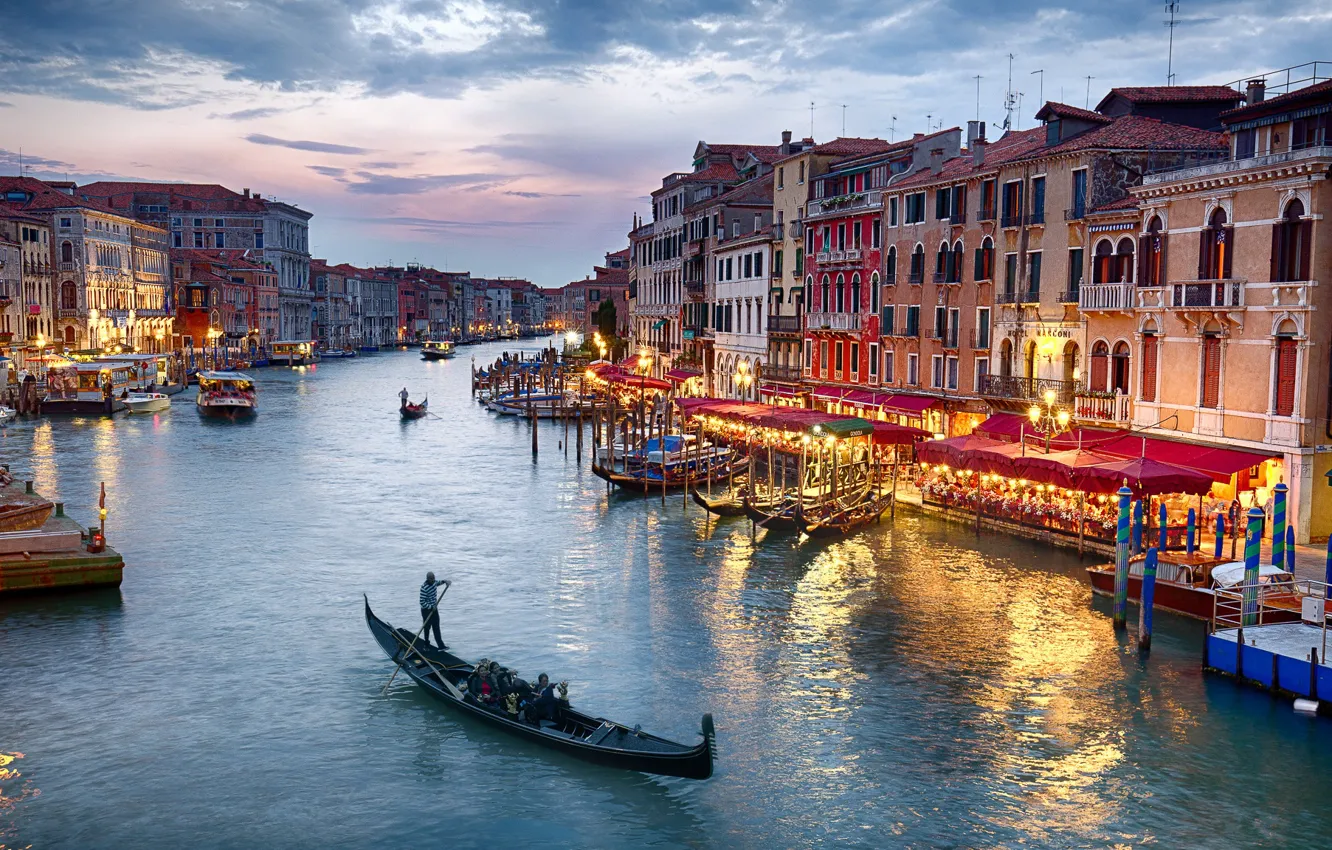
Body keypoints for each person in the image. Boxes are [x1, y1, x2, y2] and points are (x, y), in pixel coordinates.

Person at [418, 571, 450, 650]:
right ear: (427, 579)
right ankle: (426, 645)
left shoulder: (434, 583)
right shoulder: (424, 588)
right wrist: (430, 607)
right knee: (427, 628)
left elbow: (438, 582)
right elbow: (422, 602)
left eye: (433, 578)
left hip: (434, 609)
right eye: (431, 579)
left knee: (436, 627)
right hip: (426, 610)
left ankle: (441, 646)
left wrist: (445, 581)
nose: (433, 580)